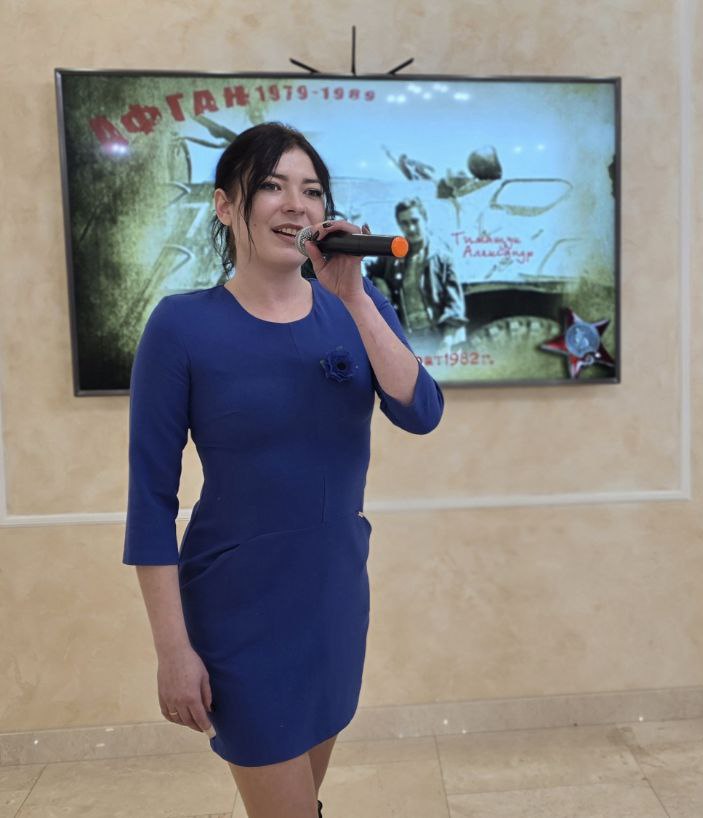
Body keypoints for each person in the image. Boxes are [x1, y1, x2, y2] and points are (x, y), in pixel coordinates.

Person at [124, 122, 445, 818]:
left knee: (305, 798)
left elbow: (421, 411)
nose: (295, 204)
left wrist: (353, 297)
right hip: (237, 610)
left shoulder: (354, 305)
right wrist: (173, 651)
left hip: (334, 598)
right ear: (224, 205)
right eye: (271, 186)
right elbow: (150, 501)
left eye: (312, 190)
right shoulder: (180, 326)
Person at [365, 197, 467, 350]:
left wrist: (447, 341)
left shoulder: (443, 258)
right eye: (405, 223)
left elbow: (454, 306)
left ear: (425, 219)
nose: (411, 228)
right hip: (408, 339)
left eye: (415, 221)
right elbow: (366, 271)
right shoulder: (392, 258)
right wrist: (380, 284)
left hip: (439, 338)